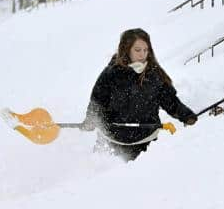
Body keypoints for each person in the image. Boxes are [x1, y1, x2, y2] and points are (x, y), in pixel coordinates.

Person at [82, 28, 197, 161]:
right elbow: (97, 102)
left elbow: (171, 102)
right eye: (137, 50)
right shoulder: (111, 74)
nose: (142, 55)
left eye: (145, 50)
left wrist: (187, 116)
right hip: (111, 142)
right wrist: (91, 120)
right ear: (126, 50)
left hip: (146, 144)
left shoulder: (155, 75)